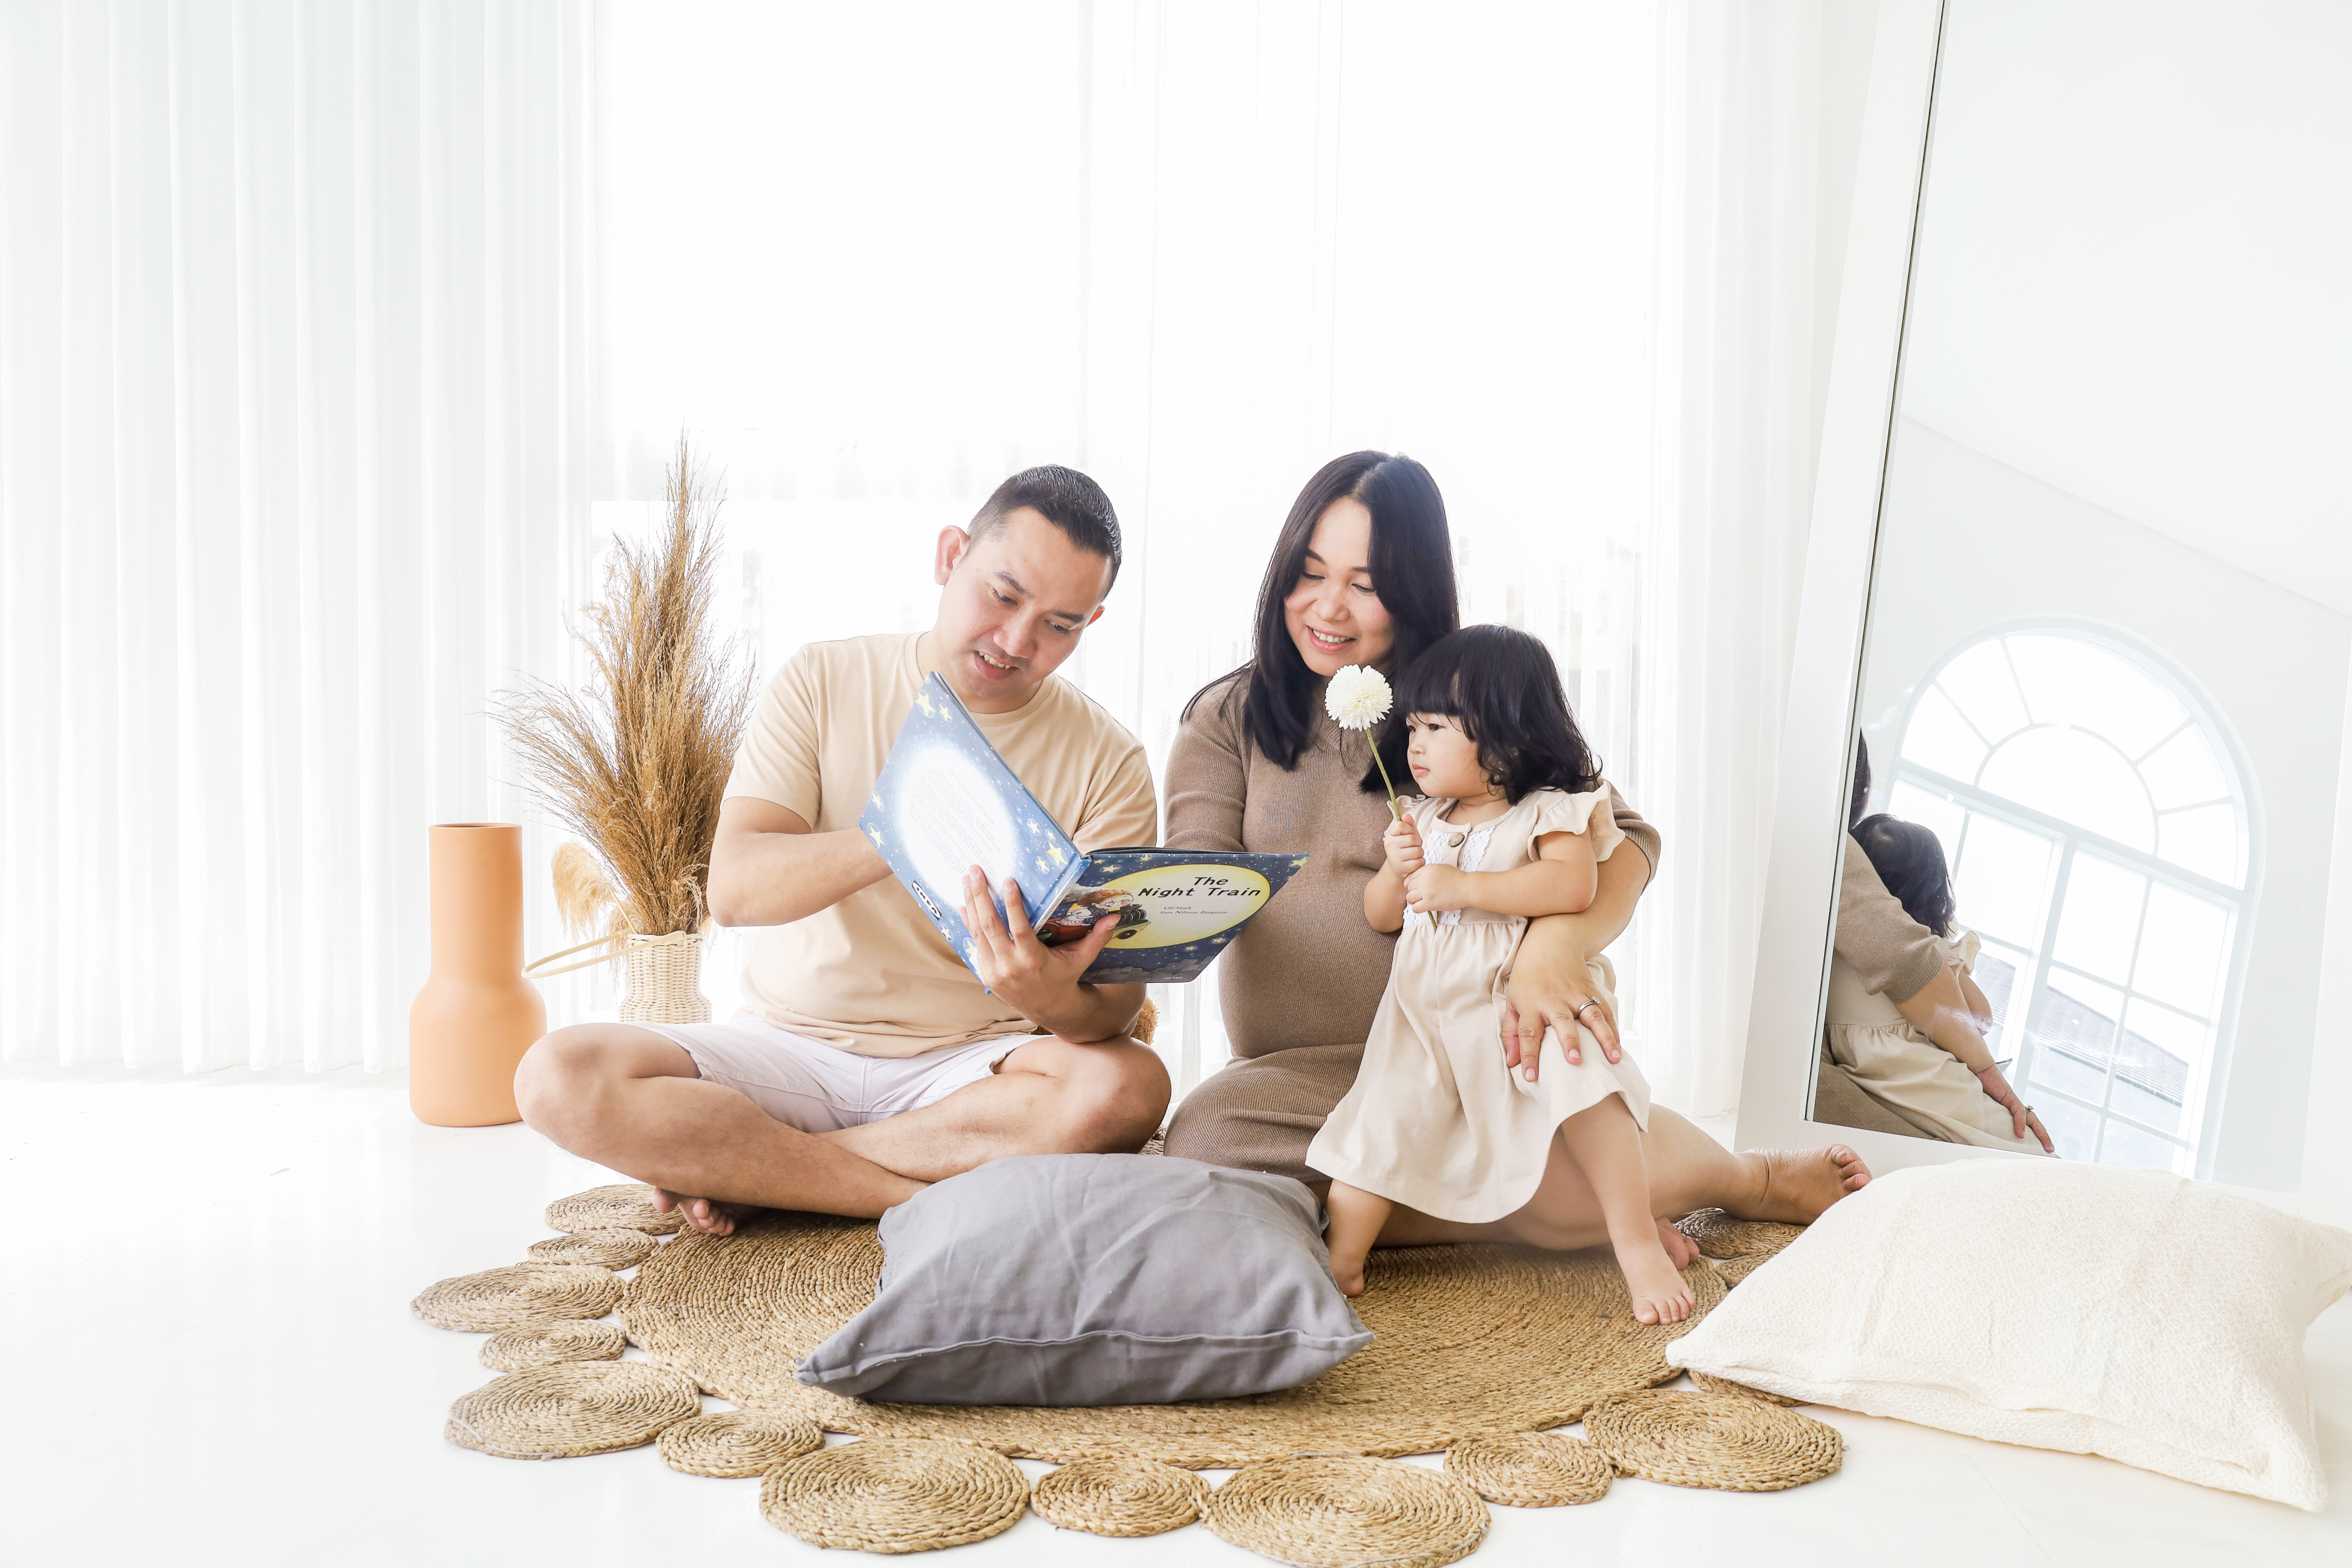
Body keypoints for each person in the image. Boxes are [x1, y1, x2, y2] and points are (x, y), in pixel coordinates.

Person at [1162, 450, 1872, 1260]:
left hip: (1472, 1036)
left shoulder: (1461, 695)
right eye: (1309, 572)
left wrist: (1554, 948)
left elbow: (1626, 835)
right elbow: (1193, 881)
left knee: (1556, 1203)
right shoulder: (1227, 716)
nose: (1328, 607)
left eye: (1364, 584)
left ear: (1415, 590)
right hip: (1300, 1075)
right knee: (1205, 1144)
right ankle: (1529, 1195)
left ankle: (1748, 1180)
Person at [514, 466, 1170, 1234]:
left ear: (1090, 624)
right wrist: (899, 835)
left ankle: (773, 1172)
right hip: (789, 1047)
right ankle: (899, 1196)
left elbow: (1114, 1012)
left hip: (970, 1068)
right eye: (1003, 595)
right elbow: (735, 891)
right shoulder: (824, 680)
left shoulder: (1109, 758)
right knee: (555, 1076)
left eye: (1060, 624)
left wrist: (1041, 993)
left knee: (1129, 1089)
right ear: (951, 555)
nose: (1018, 641)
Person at [1311, 626, 1694, 1322]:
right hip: (1423, 1025)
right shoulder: (1423, 818)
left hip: (1522, 1011)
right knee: (1373, 1131)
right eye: (1411, 727)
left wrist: (1461, 887)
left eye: (1435, 728)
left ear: (1504, 737)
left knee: (1586, 1094)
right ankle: (1340, 1265)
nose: (1414, 745)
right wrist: (1399, 872)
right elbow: (1381, 918)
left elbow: (1570, 887)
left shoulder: (1549, 810)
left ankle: (1634, 1238)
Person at [1824, 814, 2053, 1153]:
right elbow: (1981, 1018)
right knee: (2029, 1149)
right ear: (1934, 895)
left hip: (1877, 1084)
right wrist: (1954, 961)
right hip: (1934, 1083)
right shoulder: (1927, 954)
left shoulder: (1834, 954)